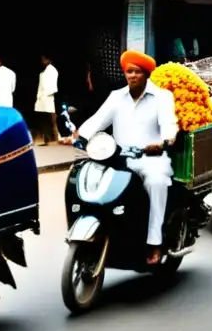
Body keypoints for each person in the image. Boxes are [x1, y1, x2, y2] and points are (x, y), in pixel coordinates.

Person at [65, 51, 178, 266]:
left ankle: (154, 242)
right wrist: (80, 136)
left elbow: (169, 125)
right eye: (129, 71)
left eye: (137, 72)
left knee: (157, 182)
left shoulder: (162, 97)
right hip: (117, 158)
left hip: (150, 158)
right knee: (83, 177)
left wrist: (164, 141)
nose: (132, 76)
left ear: (146, 75)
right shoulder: (117, 97)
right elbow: (97, 121)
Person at [35, 54, 59, 144]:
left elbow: (54, 87)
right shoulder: (42, 72)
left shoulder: (52, 70)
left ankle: (55, 140)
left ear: (48, 59)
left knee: (52, 121)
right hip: (42, 99)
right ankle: (47, 140)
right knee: (44, 121)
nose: (42, 61)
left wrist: (47, 93)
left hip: (48, 98)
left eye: (43, 59)